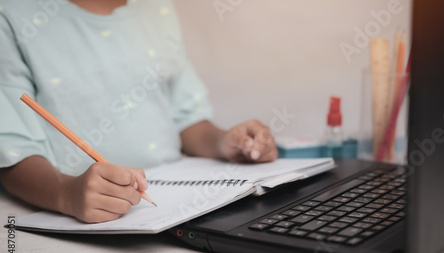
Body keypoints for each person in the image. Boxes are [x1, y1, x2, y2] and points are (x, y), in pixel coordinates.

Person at [0, 0, 277, 223]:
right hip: (61, 224)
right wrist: (65, 194)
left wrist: (224, 142)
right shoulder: (11, 14)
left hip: (174, 206)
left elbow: (184, 118)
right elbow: (12, 153)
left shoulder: (157, 8)